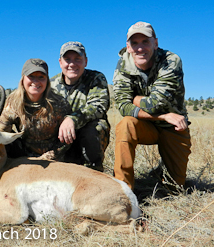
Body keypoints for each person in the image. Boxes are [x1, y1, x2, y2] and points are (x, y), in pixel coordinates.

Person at [113, 21, 192, 191]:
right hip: (150, 123)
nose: (140, 48)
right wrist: (163, 116)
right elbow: (122, 106)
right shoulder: (123, 64)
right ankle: (123, 190)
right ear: (128, 46)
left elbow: (155, 104)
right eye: (135, 43)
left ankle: (160, 171)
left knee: (175, 188)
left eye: (145, 42)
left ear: (155, 43)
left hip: (173, 127)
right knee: (126, 124)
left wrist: (133, 98)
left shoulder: (171, 60)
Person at [51, 41, 111, 172]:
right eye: (67, 60)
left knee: (95, 127)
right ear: (60, 62)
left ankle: (93, 171)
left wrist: (72, 119)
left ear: (86, 61)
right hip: (61, 138)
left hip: (88, 136)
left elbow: (98, 106)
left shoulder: (96, 78)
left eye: (78, 59)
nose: (72, 64)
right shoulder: (51, 84)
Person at [0, 58, 71, 159]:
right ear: (23, 79)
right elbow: (0, 132)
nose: (36, 81)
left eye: (41, 77)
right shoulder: (12, 102)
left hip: (54, 158)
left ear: (47, 80)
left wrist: (47, 157)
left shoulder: (59, 103)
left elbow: (67, 139)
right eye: (31, 76)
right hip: (22, 155)